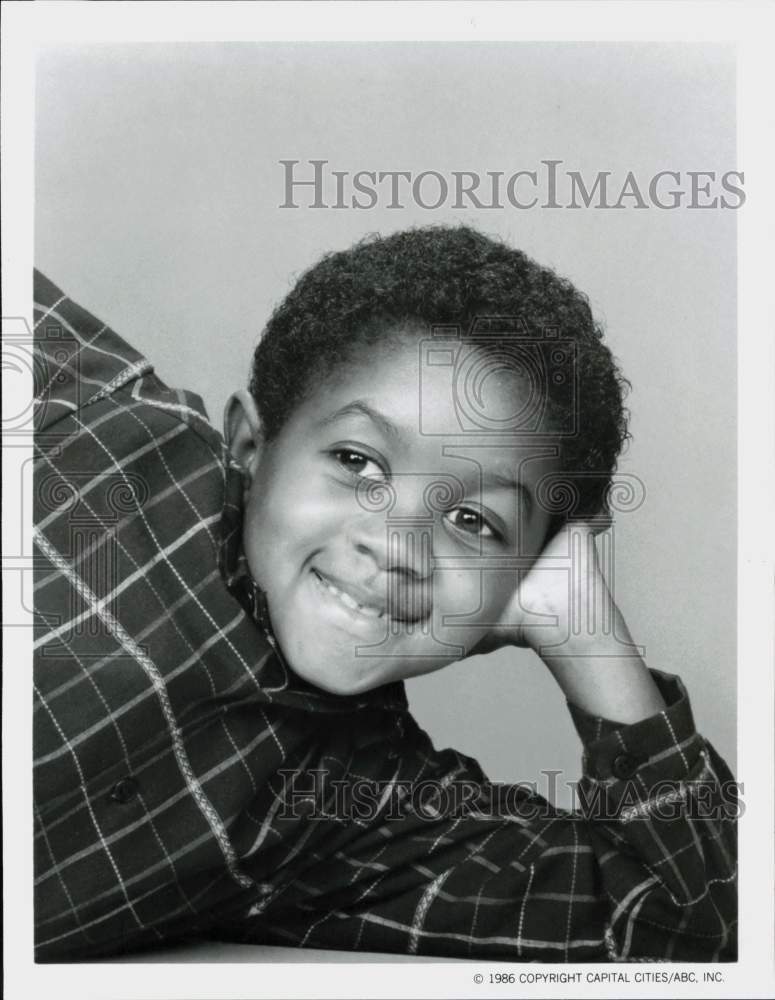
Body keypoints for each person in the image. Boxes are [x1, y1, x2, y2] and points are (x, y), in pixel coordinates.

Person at [32, 225, 737, 963]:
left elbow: (686, 924)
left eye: (474, 521)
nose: (397, 546)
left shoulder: (356, 817)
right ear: (249, 442)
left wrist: (588, 638)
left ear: (529, 570)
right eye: (357, 462)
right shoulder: (88, 418)